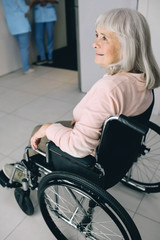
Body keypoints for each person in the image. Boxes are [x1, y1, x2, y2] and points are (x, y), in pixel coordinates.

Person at [3, 8, 160, 182]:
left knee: (38, 131)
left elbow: (79, 147)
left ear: (127, 44)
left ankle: (25, 174)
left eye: (104, 37)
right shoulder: (144, 78)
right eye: (97, 35)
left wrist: (47, 128)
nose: (94, 43)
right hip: (122, 154)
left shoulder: (110, 88)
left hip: (94, 161)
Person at [2, 0, 34, 74]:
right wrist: (32, 2)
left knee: (22, 48)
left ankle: (26, 67)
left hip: (12, 26)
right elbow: (26, 10)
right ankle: (26, 68)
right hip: (21, 25)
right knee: (24, 48)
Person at [29, 0, 58, 65]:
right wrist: (39, 1)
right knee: (38, 37)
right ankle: (43, 58)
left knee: (50, 36)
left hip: (50, 15)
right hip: (39, 16)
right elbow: (31, 2)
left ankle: (50, 57)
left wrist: (46, 0)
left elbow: (56, 1)